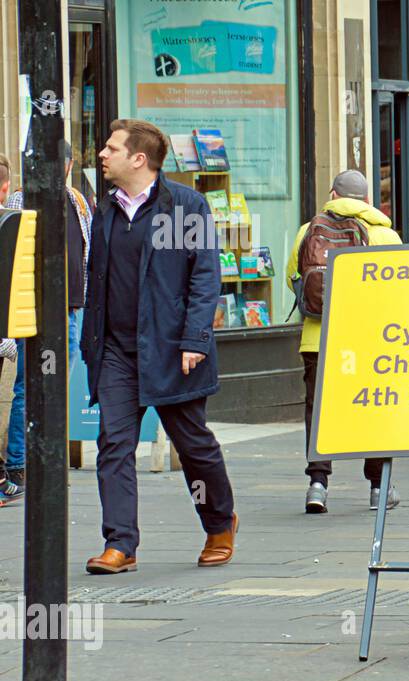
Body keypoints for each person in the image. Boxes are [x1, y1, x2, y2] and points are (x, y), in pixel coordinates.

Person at [81, 118, 237, 573]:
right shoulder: (105, 207)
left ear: (138, 159)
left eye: (111, 148)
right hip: (115, 350)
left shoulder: (186, 206)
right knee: (113, 444)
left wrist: (194, 339)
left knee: (193, 446)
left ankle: (219, 523)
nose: (103, 155)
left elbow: (206, 276)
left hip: (172, 350)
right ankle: (120, 544)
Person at [289, 170, 403, 514]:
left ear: (333, 194)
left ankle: (318, 484)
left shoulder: (308, 230)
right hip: (368, 342)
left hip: (318, 339)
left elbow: (294, 278)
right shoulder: (386, 235)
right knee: (374, 409)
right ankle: (378, 486)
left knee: (318, 412)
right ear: (367, 200)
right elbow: (398, 291)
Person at [1, 140, 94, 506]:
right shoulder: (20, 200)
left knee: (56, 390)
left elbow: (87, 253)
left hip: (71, 311)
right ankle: (20, 466)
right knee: (30, 388)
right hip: (33, 313)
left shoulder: (78, 201)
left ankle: (45, 464)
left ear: (68, 166)